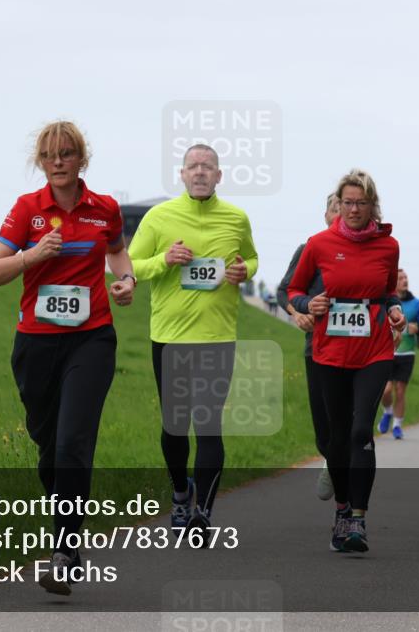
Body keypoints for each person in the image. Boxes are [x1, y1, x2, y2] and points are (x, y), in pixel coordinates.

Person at [0, 121, 136, 595]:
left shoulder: (104, 209)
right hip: (36, 343)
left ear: (81, 158)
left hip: (91, 339)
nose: (59, 161)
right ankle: (67, 521)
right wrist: (32, 256)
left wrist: (126, 280)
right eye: (50, 155)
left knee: (73, 441)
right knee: (49, 449)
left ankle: (66, 551)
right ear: (41, 161)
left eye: (67, 153)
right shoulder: (27, 211)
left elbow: (118, 253)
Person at [128, 143, 258, 539]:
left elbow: (251, 259)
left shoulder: (236, 219)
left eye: (208, 167)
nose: (200, 172)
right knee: (174, 428)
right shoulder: (159, 217)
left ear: (219, 176)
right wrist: (164, 260)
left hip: (217, 338)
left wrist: (243, 271)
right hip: (168, 338)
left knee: (209, 425)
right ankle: (181, 490)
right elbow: (128, 265)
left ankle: (203, 512)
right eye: (193, 166)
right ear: (182, 175)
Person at [287, 169, 405, 553]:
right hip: (329, 352)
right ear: (338, 205)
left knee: (359, 433)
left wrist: (395, 309)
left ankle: (358, 518)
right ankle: (340, 508)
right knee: (336, 439)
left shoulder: (389, 246)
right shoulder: (319, 244)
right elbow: (294, 290)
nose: (353, 209)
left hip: (374, 351)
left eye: (361, 203)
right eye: (347, 203)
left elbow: (387, 291)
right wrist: (308, 304)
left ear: (373, 205)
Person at [277, 192, 341, 500]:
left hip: (360, 353)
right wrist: (297, 313)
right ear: (326, 215)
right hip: (317, 348)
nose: (343, 212)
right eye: (335, 207)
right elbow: (285, 291)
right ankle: (331, 457)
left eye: (351, 206)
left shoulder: (368, 252)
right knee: (325, 427)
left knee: (354, 425)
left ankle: (350, 499)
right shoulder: (309, 249)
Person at [378, 269, 419, 440]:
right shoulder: (385, 302)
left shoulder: (416, 303)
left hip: (407, 353)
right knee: (386, 390)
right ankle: (387, 411)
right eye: (400, 278)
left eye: (406, 278)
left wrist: (417, 329)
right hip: (387, 350)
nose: (404, 281)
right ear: (394, 282)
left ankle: (398, 425)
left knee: (400, 391)